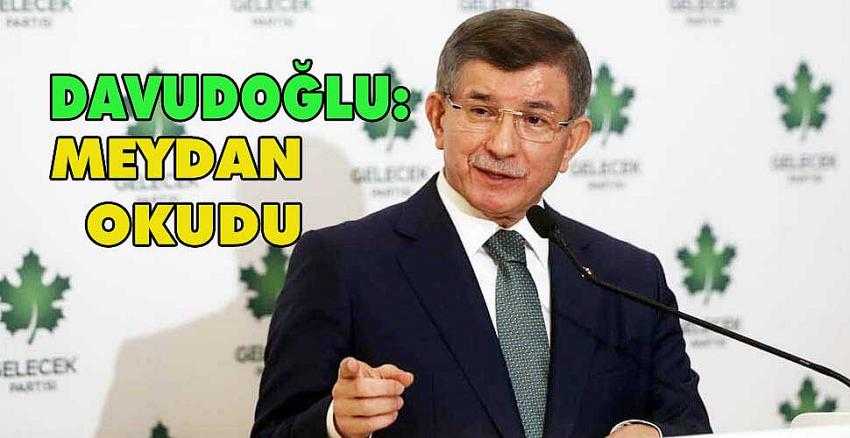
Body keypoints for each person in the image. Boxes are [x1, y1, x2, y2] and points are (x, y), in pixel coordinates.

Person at [251, 9, 711, 438]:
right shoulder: (344, 264)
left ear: (572, 142)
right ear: (438, 119)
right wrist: (335, 423)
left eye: (535, 119)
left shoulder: (629, 277)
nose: (502, 145)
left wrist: (654, 434)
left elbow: (687, 425)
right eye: (481, 111)